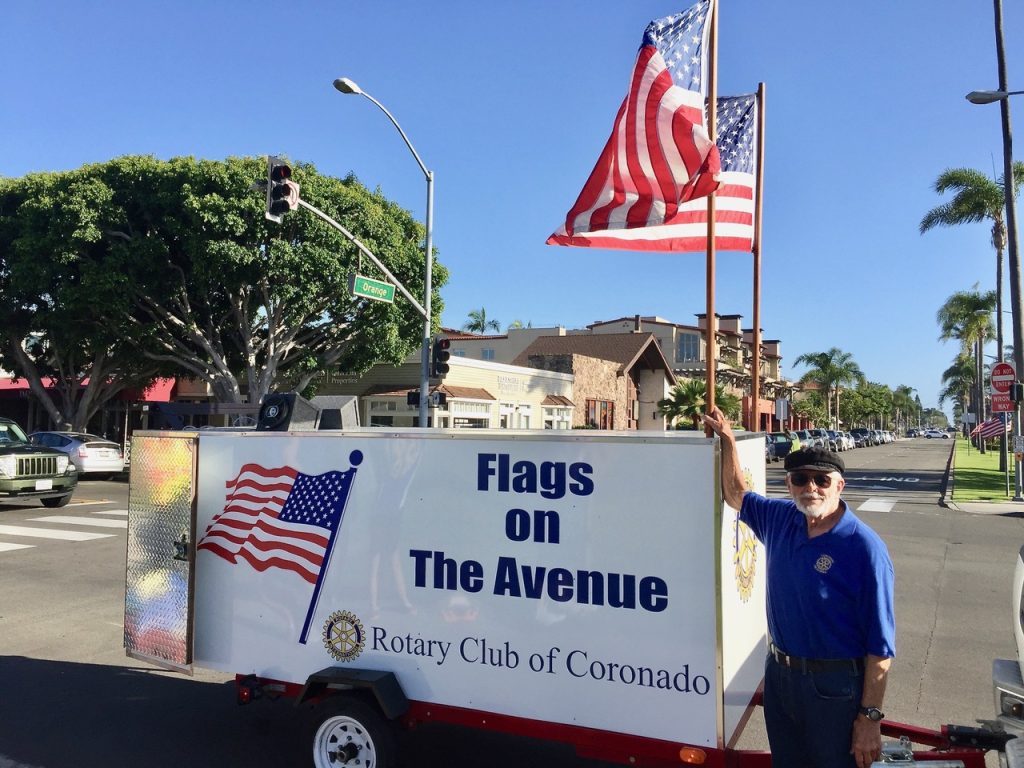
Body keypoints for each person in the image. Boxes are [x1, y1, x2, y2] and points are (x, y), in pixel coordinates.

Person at [703, 407, 895, 768]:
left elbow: (880, 645)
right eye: (800, 479)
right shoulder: (780, 519)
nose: (811, 488)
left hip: (834, 686)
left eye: (822, 480)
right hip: (780, 677)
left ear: (840, 485)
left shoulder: (864, 548)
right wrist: (728, 439)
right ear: (788, 483)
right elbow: (734, 493)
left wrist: (870, 718)